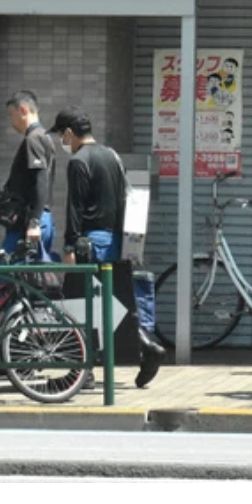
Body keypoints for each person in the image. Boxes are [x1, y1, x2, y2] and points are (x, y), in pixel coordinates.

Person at [50, 105, 166, 389]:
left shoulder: (79, 162)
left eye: (62, 136)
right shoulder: (112, 156)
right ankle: (147, 348)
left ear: (69, 133)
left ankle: (81, 373)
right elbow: (126, 199)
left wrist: (69, 246)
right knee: (113, 305)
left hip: (89, 244)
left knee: (79, 307)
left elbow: (75, 208)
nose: (62, 142)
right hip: (114, 243)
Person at [0, 91, 57, 258]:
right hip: (39, 218)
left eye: (11, 114)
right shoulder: (43, 136)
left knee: (4, 269)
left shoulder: (33, 138)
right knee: (32, 272)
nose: (11, 121)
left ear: (23, 110)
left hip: (30, 220)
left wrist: (34, 222)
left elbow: (41, 179)